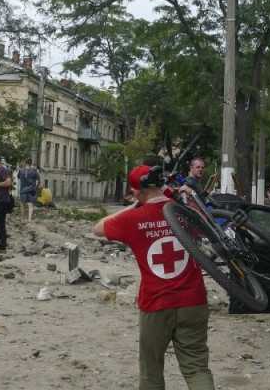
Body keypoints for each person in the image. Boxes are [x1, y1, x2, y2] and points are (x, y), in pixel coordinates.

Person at [93, 165, 216, 390]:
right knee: (197, 368)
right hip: (194, 301)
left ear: (137, 194)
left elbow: (98, 228)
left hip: (156, 304)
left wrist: (132, 207)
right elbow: (210, 226)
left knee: (151, 373)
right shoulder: (185, 213)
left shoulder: (133, 219)